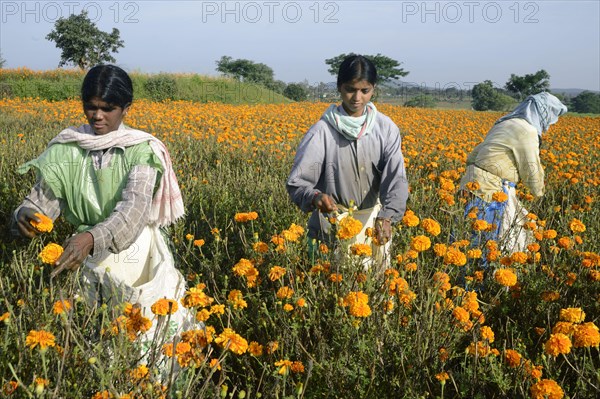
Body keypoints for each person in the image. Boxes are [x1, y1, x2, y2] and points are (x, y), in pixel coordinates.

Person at [12, 64, 193, 342]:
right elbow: (43, 200)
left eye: (108, 108)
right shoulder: (68, 147)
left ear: (126, 108)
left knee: (141, 331)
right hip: (83, 252)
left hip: (133, 251)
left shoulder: (142, 150)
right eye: (91, 107)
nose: (97, 116)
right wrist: (27, 214)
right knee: (88, 331)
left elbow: (132, 213)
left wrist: (90, 238)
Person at [286, 55, 409, 268]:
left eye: (365, 90)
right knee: (329, 289)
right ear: (339, 87)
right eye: (350, 89)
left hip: (373, 225)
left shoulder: (386, 129)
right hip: (331, 226)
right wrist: (316, 197)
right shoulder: (322, 132)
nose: (357, 98)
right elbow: (298, 183)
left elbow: (395, 178)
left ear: (374, 89)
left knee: (374, 292)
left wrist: (388, 216)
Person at [458, 92, 567, 262]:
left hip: (472, 183)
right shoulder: (527, 130)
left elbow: (473, 155)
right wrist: (539, 192)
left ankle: (465, 280)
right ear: (543, 113)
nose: (550, 125)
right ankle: (478, 285)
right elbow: (531, 168)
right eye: (551, 119)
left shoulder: (505, 122)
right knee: (488, 242)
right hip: (490, 190)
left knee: (468, 237)